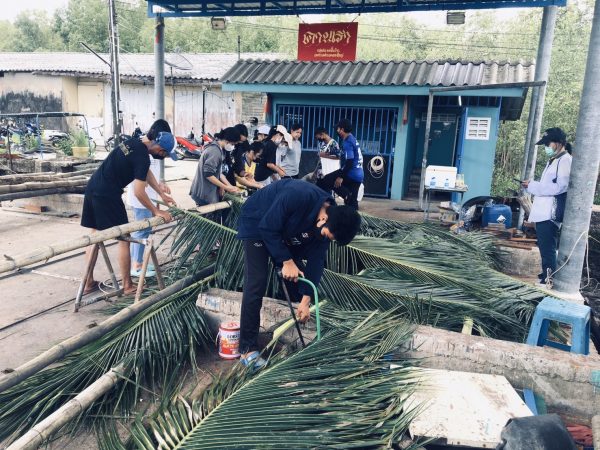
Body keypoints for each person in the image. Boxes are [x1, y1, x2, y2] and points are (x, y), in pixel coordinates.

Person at [236, 179, 362, 368]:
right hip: (257, 223)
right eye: (328, 235)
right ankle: (247, 350)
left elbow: (316, 262)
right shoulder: (297, 195)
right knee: (257, 283)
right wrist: (286, 261)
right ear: (324, 219)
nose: (326, 238)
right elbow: (267, 227)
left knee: (298, 277)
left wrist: (305, 301)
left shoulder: (329, 222)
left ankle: (295, 323)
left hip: (284, 232)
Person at [81, 129, 177, 296]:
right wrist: (156, 211)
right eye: (165, 153)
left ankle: (88, 282)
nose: (163, 156)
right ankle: (127, 285)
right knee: (124, 238)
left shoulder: (135, 143)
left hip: (93, 187)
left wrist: (161, 194)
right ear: (160, 148)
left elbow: (146, 173)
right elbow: (139, 192)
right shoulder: (142, 156)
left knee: (95, 235)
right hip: (108, 195)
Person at [522, 127, 573, 285]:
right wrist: (532, 185)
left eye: (547, 144)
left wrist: (533, 186)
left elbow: (560, 187)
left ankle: (549, 278)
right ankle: (547, 272)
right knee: (545, 245)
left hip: (551, 211)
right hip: (544, 210)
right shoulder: (555, 160)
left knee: (548, 246)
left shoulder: (565, 161)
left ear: (558, 144)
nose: (546, 147)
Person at [126, 119, 172, 278]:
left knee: (145, 230)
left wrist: (161, 191)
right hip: (141, 199)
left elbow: (150, 174)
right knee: (141, 231)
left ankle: (138, 262)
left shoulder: (150, 151)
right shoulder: (140, 149)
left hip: (149, 197)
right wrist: (156, 209)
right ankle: (136, 265)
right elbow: (138, 183)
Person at [316, 119, 364, 209]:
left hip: (352, 173)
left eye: (337, 129)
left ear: (342, 129)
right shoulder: (352, 138)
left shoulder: (347, 142)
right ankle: (350, 201)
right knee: (352, 203)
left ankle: (346, 195)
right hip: (359, 174)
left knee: (328, 179)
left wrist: (340, 177)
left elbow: (349, 161)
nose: (337, 131)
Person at [190, 127, 241, 207]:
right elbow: (209, 174)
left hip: (206, 191)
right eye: (233, 144)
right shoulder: (215, 151)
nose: (233, 147)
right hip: (204, 193)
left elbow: (219, 173)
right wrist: (225, 187)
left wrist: (230, 186)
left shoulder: (219, 149)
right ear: (227, 141)